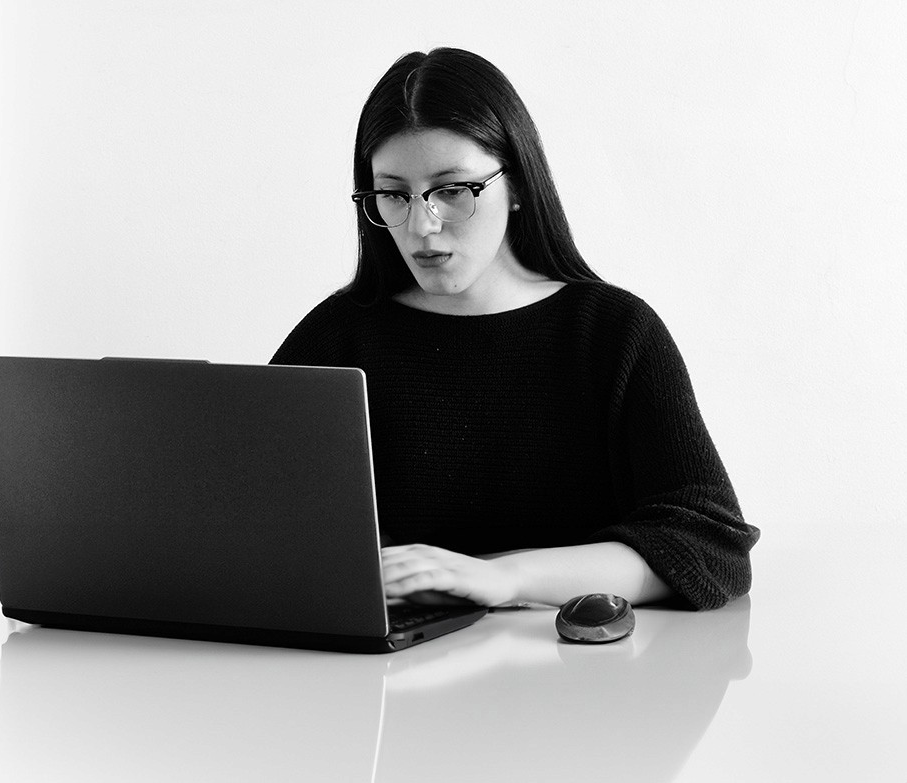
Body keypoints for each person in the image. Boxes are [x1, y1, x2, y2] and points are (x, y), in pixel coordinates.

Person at [271, 47, 759, 611]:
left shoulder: (613, 334)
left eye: (452, 190)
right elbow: (250, 527)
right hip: (380, 684)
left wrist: (503, 578)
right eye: (394, 194)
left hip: (578, 679)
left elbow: (711, 547)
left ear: (519, 184)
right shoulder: (335, 338)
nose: (421, 226)